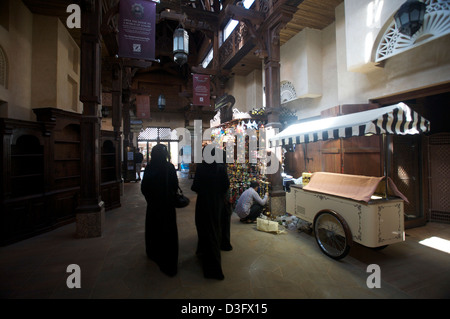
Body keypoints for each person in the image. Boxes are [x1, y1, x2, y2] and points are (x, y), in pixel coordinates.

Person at [191, 146, 230, 280]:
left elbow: (195, 186)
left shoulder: (201, 168)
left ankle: (209, 263)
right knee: (214, 229)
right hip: (217, 203)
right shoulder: (220, 167)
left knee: (204, 227)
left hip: (203, 203)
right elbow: (226, 185)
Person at [141, 144, 179, 277]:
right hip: (167, 206)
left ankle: (154, 252)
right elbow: (175, 185)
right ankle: (169, 256)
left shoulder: (150, 168)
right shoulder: (169, 167)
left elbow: (144, 187)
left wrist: (151, 199)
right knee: (168, 231)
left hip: (154, 206)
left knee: (154, 229)